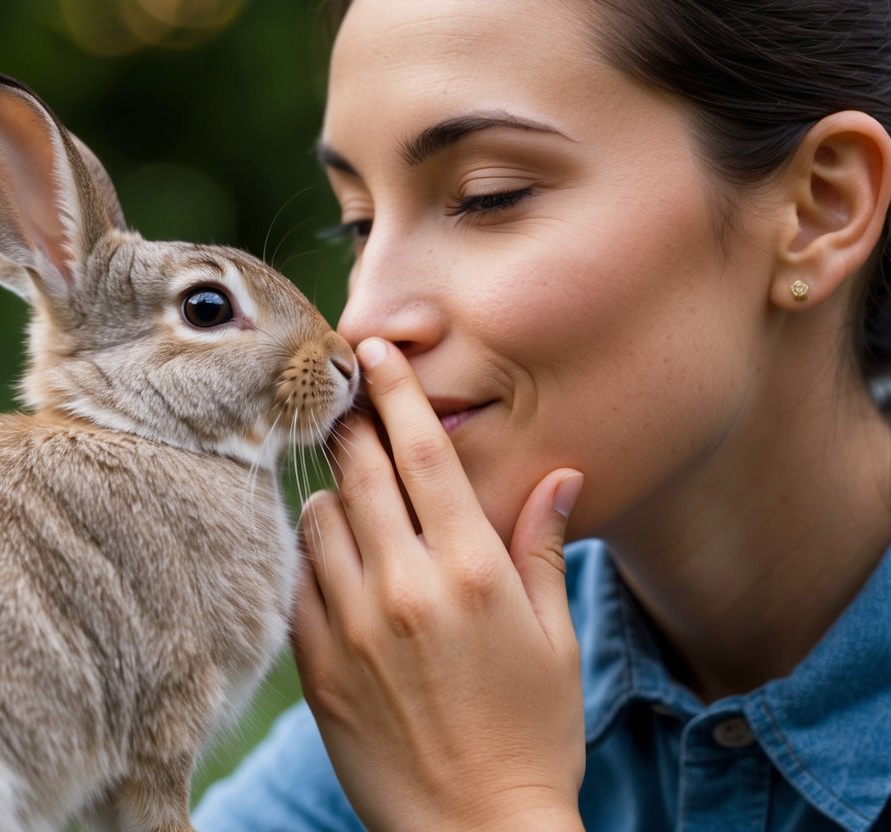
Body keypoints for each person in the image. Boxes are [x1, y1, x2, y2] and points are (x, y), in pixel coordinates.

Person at [193, 0, 891, 829]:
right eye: (358, 222)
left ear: (819, 207)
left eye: (489, 196)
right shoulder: (439, 675)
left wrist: (490, 805)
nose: (360, 321)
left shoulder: (453, 738)